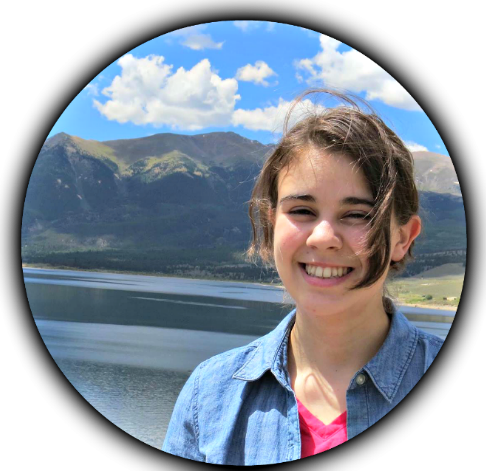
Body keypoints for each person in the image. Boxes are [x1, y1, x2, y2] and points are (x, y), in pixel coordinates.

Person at [162, 89, 444, 464]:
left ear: (403, 238)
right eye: (302, 210)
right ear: (271, 224)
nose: (323, 237)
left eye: (357, 215)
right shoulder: (209, 396)